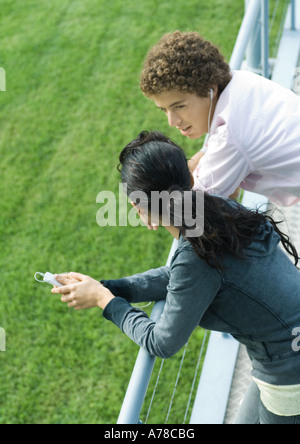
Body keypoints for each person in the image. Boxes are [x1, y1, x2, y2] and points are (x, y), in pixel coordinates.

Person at [51, 131, 300, 424]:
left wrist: (105, 302)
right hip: (279, 358)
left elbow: (162, 342)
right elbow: (181, 277)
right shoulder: (217, 209)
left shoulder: (196, 253)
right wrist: (109, 288)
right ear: (188, 180)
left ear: (137, 207)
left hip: (289, 370)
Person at [140, 31, 300, 208]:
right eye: (164, 110)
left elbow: (196, 210)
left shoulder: (231, 136)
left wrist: (151, 206)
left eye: (179, 106)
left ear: (210, 89)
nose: (172, 121)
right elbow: (210, 155)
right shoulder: (239, 81)